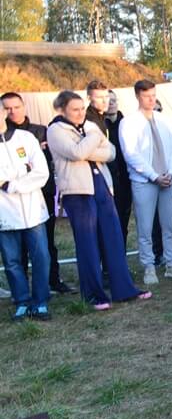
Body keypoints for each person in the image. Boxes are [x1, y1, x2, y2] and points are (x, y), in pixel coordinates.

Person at [47, 91, 150, 310]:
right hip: (78, 192)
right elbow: (76, 153)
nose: (80, 113)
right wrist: (94, 139)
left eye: (82, 108)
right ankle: (94, 294)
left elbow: (111, 152)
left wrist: (88, 146)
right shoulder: (56, 130)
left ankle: (124, 289)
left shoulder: (89, 126)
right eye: (75, 109)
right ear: (62, 109)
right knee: (88, 244)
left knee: (113, 239)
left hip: (102, 187)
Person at [119, 79, 172, 285]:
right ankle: (149, 267)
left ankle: (171, 264)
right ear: (137, 96)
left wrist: (170, 172)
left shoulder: (166, 121)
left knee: (170, 225)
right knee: (145, 227)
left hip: (167, 179)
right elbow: (131, 154)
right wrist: (153, 176)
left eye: (153, 95)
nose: (151, 100)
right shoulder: (129, 123)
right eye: (146, 96)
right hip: (144, 181)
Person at [1, 92, 72, 294]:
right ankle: (21, 294)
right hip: (7, 205)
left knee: (45, 245)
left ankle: (51, 283)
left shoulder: (38, 132)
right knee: (15, 253)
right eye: (7, 108)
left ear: (23, 106)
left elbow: (43, 167)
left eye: (15, 106)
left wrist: (14, 179)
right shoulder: (7, 136)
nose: (12, 111)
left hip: (39, 197)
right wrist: (24, 169)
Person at [1, 99, 52, 321]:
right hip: (4, 213)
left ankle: (40, 302)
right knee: (11, 261)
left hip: (32, 210)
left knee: (41, 256)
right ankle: (21, 301)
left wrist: (13, 184)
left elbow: (41, 172)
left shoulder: (26, 139)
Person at [85, 82, 132, 242]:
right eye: (104, 98)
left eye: (112, 100)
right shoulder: (94, 123)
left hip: (125, 179)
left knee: (123, 219)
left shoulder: (127, 123)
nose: (109, 103)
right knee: (105, 222)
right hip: (104, 179)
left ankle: (120, 256)